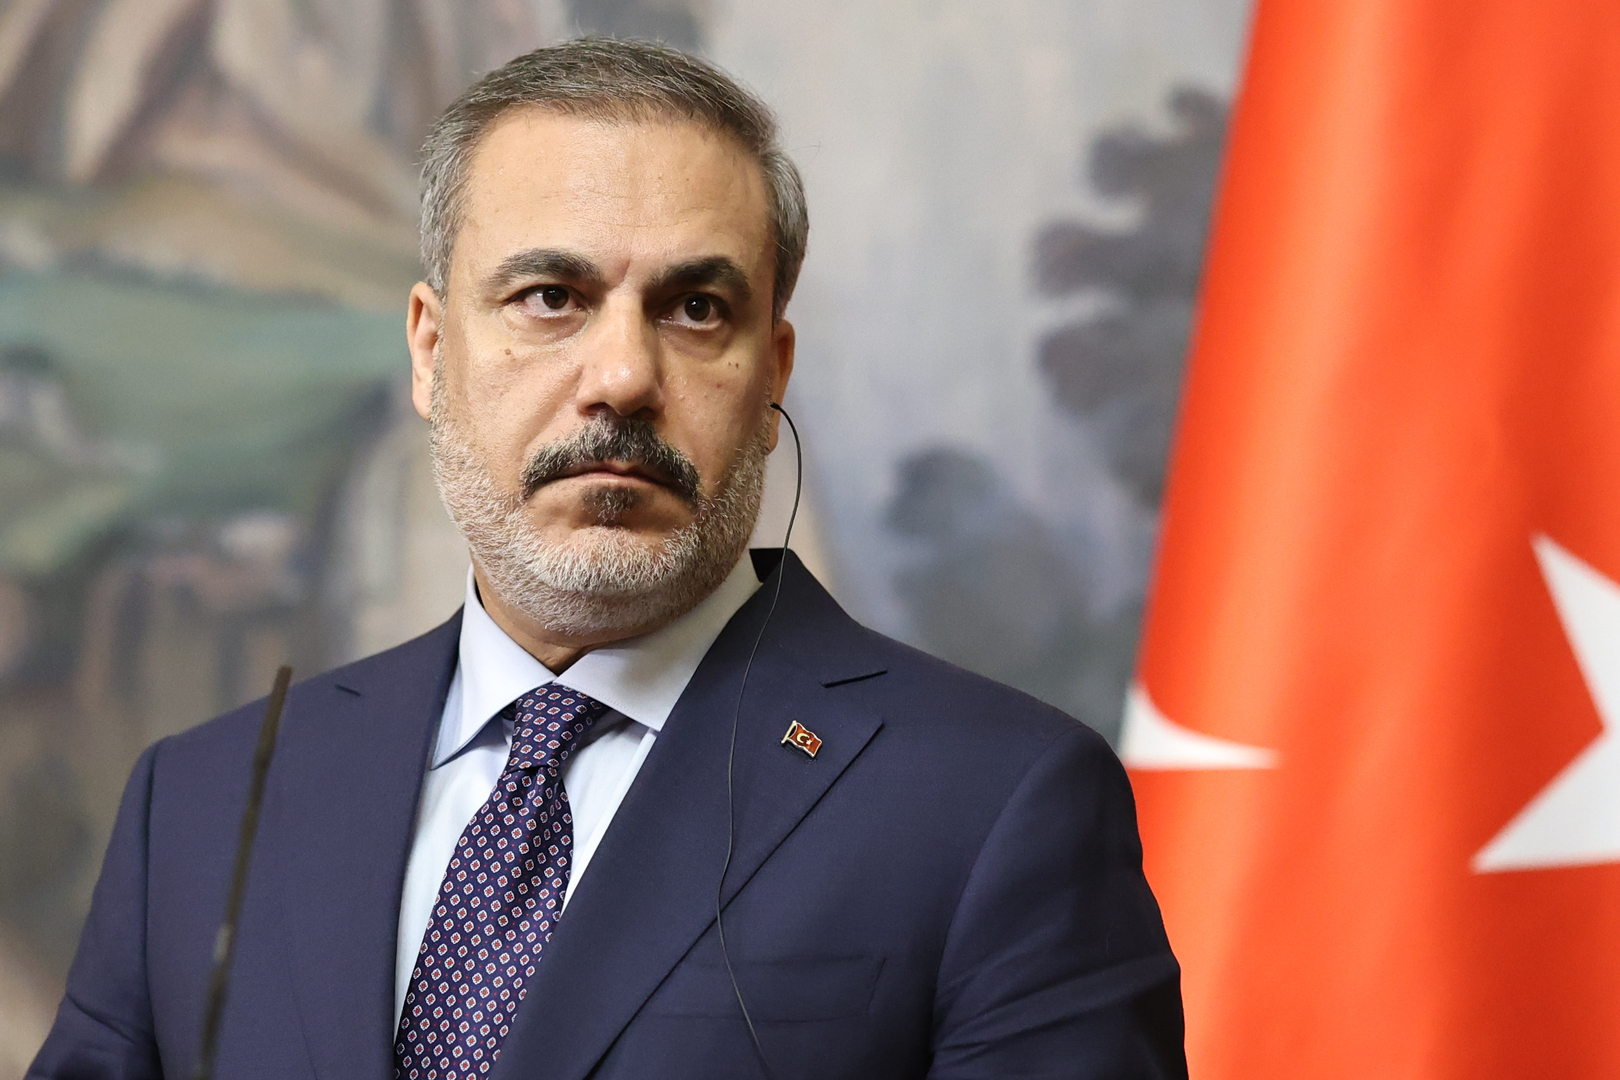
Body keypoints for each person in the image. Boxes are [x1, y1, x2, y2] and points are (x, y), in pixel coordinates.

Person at [29, 39, 1185, 1080]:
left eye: (696, 308)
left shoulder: (998, 803)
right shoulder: (202, 801)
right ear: (430, 351)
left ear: (772, 372)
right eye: (550, 297)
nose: (624, 376)